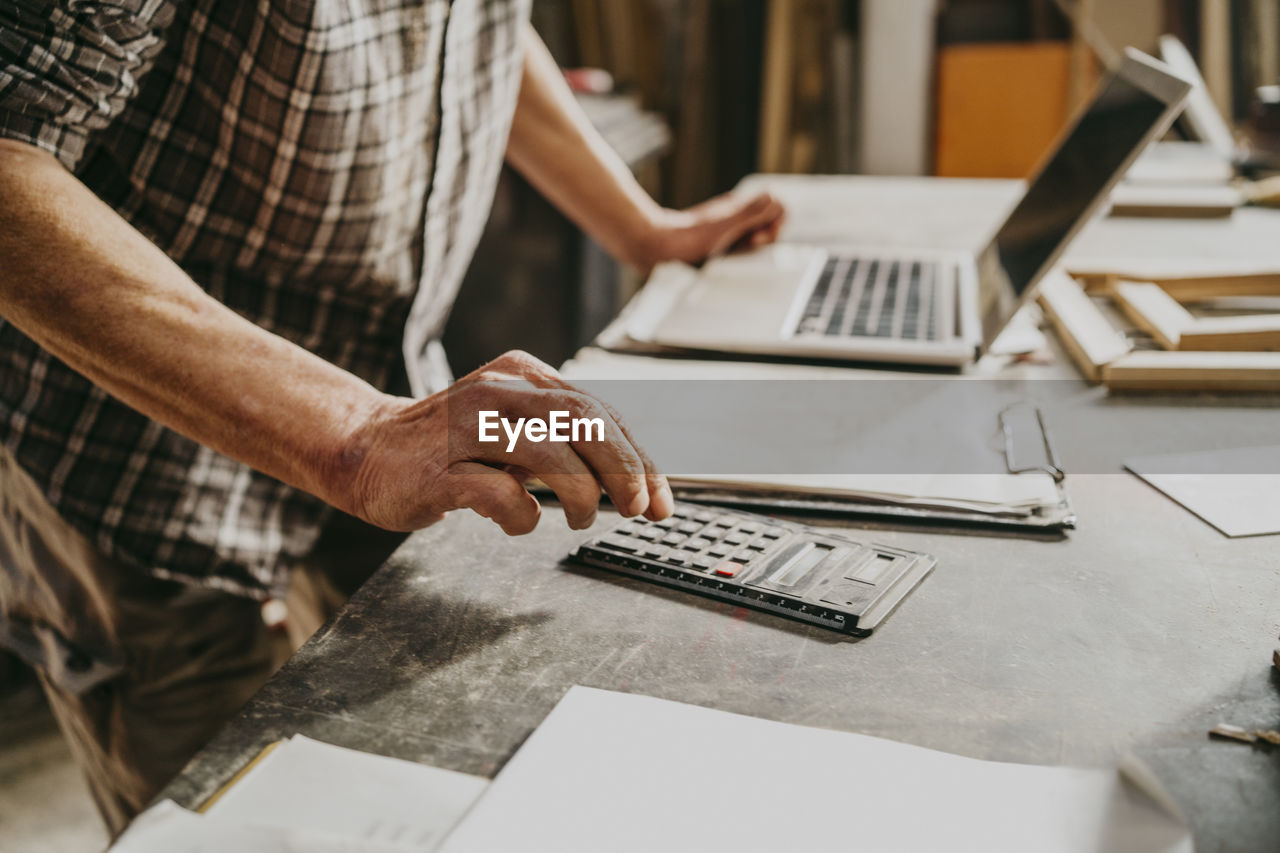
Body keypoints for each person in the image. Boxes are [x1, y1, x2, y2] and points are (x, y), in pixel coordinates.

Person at [0, 0, 785, 835]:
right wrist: (357, 437)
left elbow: (478, 30)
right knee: (219, 821)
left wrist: (641, 229)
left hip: (382, 380)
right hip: (133, 445)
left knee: (423, 786)